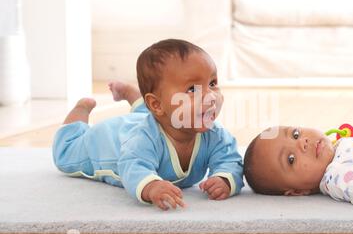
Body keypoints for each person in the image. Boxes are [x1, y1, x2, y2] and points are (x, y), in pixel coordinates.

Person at [52, 39, 244, 210]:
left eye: (212, 83)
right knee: (66, 155)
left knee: (153, 116)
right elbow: (133, 166)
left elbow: (230, 160)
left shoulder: (215, 134)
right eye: (192, 89)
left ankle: (131, 94)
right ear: (156, 104)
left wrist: (225, 178)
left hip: (153, 117)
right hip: (108, 137)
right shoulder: (142, 139)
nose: (210, 96)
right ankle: (80, 111)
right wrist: (151, 186)